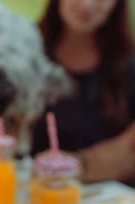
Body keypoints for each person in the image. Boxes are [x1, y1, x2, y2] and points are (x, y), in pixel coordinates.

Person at [31, 0, 135, 185]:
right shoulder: (24, 50)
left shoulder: (129, 62)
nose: (87, 5)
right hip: (33, 194)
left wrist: (78, 165)